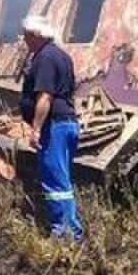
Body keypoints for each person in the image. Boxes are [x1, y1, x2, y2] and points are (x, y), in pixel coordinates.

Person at [19, 15, 83, 241]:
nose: (24, 40)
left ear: (36, 35)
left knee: (55, 182)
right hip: (67, 123)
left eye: (26, 35)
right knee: (61, 180)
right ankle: (69, 230)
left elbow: (45, 96)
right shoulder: (62, 55)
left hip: (54, 126)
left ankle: (65, 233)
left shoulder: (45, 58)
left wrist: (35, 130)